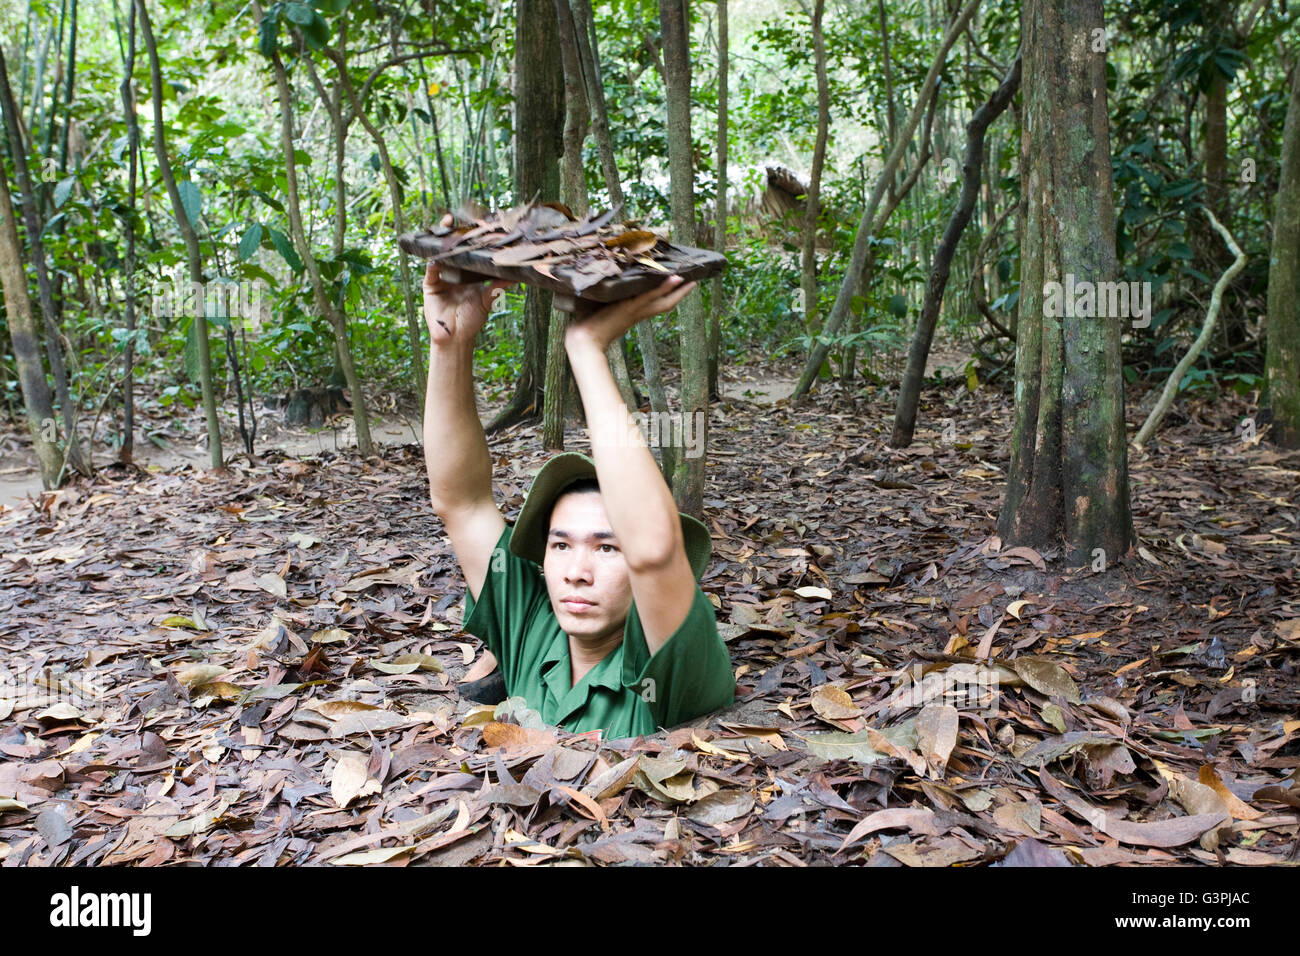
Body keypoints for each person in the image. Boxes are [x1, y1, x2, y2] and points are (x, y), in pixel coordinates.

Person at [421, 257, 734, 740]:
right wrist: (450, 343)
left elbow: (652, 550)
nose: (575, 571)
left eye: (607, 548)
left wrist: (586, 349)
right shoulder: (531, 621)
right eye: (561, 545)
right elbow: (460, 503)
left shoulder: (675, 666)